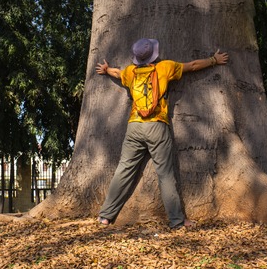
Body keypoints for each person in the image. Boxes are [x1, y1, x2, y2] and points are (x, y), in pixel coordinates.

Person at [95, 38, 229, 228]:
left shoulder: (130, 72)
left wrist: (107, 70)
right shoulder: (165, 68)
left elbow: (117, 73)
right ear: (153, 55)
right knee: (165, 174)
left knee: (124, 169)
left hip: (134, 126)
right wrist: (214, 60)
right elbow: (192, 65)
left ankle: (105, 216)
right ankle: (176, 221)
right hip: (157, 126)